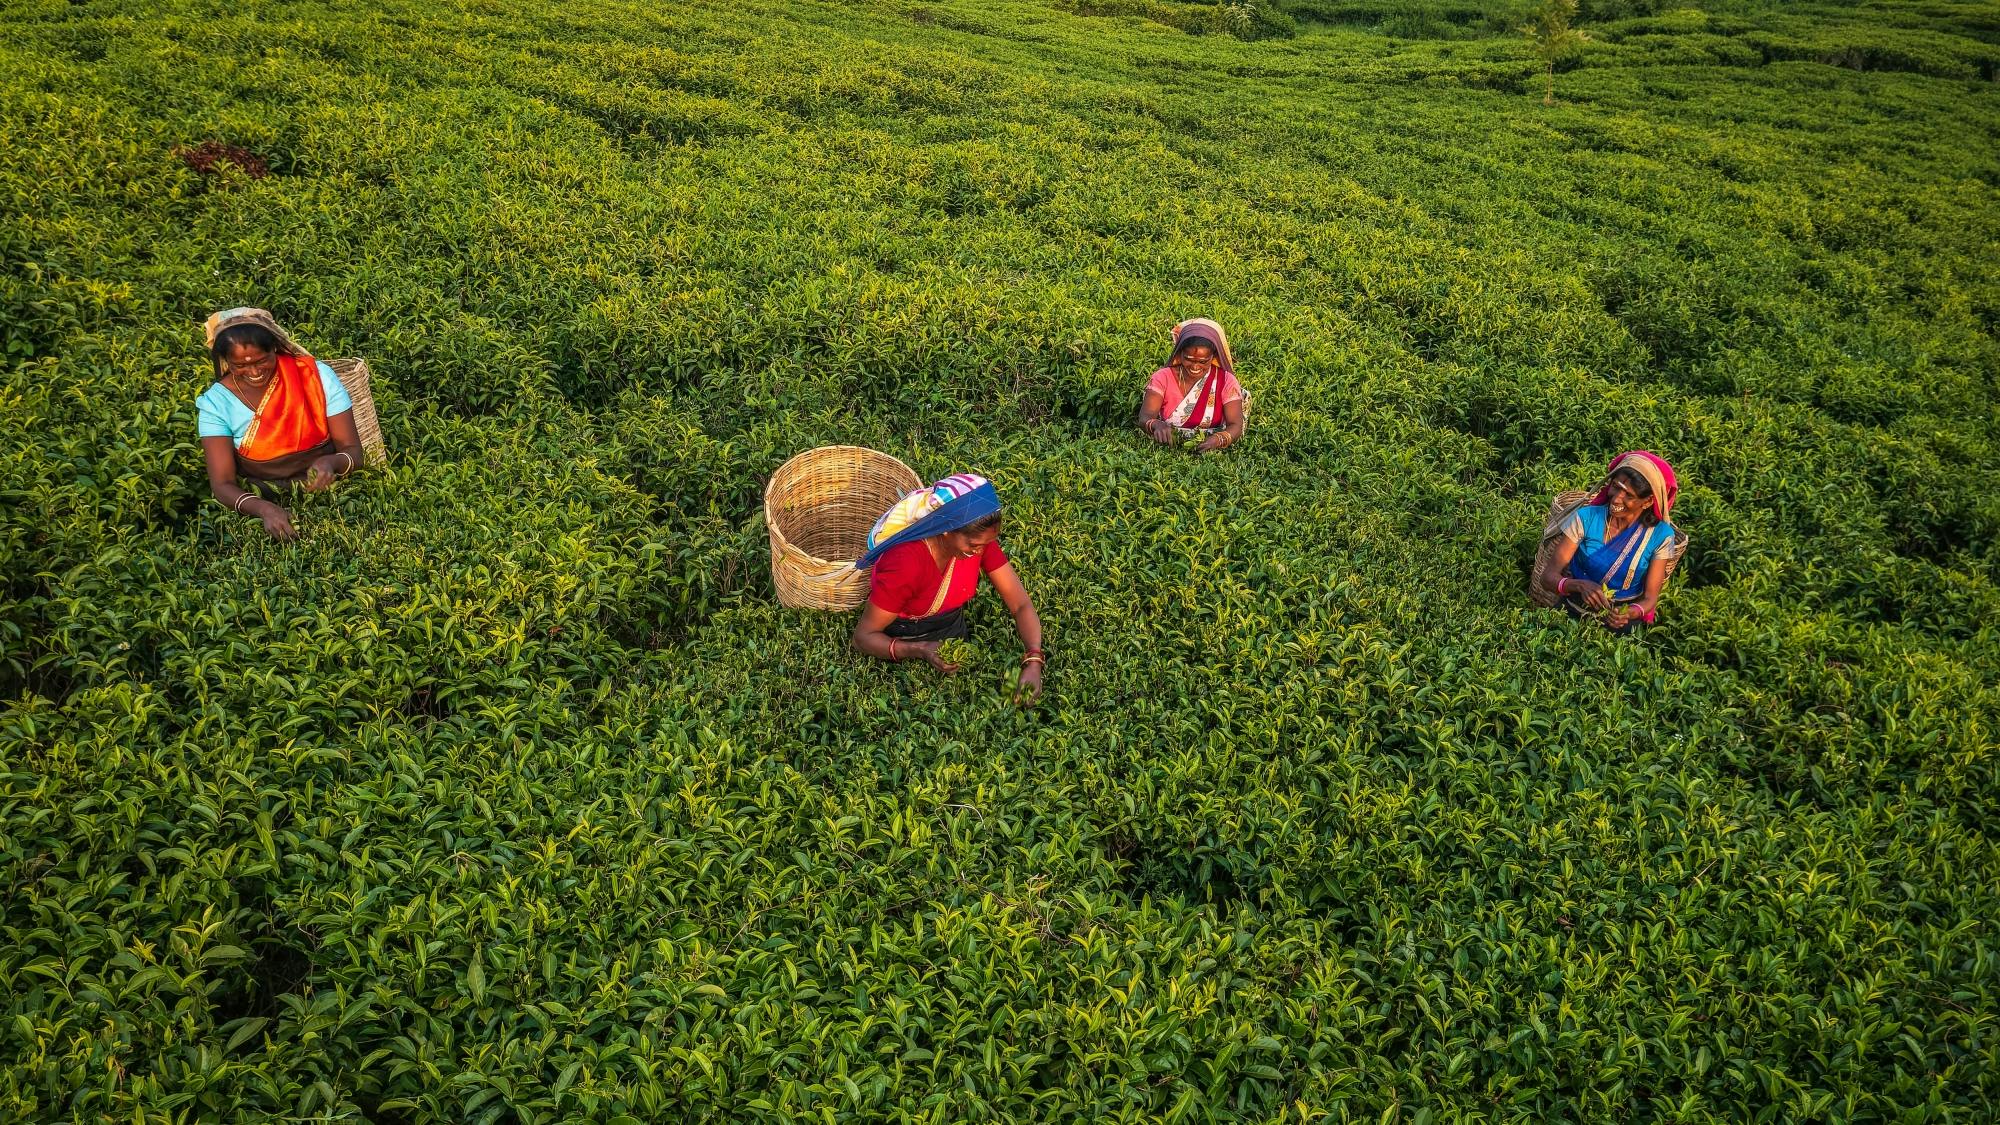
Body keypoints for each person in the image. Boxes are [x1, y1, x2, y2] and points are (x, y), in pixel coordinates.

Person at [851, 473, 1045, 702]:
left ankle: (1014, 703)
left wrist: (1033, 660)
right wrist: (922, 650)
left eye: (985, 545)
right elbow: (863, 638)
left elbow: (1020, 604)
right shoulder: (906, 563)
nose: (980, 552)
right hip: (906, 635)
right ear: (945, 529)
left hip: (951, 627)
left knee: (994, 694)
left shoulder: (978, 543)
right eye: (974, 545)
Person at [196, 308, 365, 541]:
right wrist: (264, 509)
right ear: (227, 362)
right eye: (240, 366)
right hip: (263, 493)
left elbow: (354, 452)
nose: (254, 372)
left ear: (275, 348)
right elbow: (222, 484)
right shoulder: (215, 403)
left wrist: (330, 462)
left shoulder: (315, 376)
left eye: (262, 360)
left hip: (331, 490)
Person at [1535, 451, 1683, 633]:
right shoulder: (1586, 518)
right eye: (1615, 486)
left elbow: (1650, 598)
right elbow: (1547, 578)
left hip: (1621, 620)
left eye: (1629, 495)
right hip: (1574, 607)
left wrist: (1629, 613)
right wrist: (1580, 585)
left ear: (1647, 502)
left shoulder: (1660, 535)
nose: (1616, 498)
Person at [1139, 317, 1247, 453]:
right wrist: (1156, 425)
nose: (1195, 367)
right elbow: (1145, 417)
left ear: (1213, 358)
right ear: (1180, 353)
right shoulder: (1163, 377)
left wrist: (1218, 440)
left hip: (1211, 448)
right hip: (1167, 446)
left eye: (1203, 362)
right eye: (1188, 359)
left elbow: (1236, 425)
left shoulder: (1225, 381)